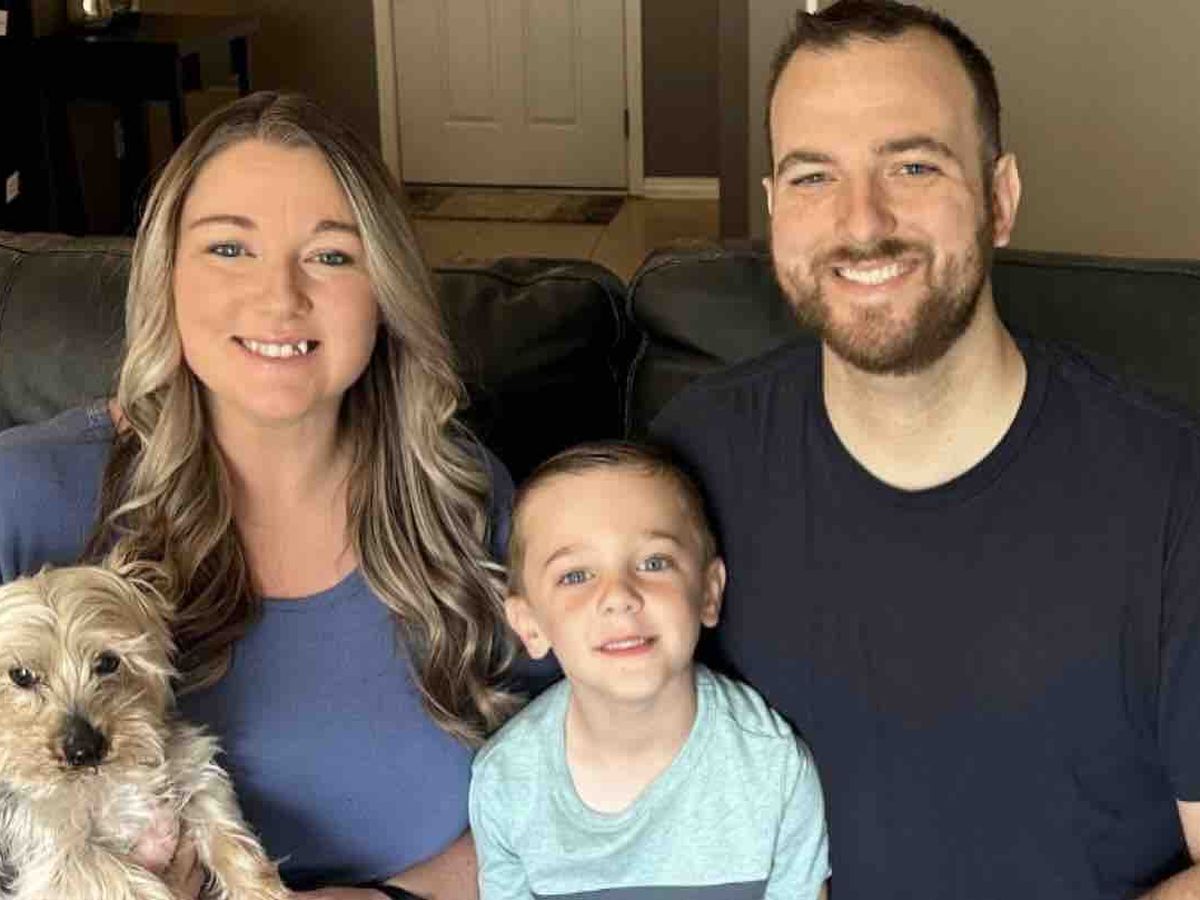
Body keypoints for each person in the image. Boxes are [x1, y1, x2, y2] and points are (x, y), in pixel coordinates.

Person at [650, 2, 1200, 898]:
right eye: (813, 176)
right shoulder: (689, 466)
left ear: (1000, 199)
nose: (862, 223)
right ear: (774, 209)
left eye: (912, 166)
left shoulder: (1174, 489)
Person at [0, 92, 520, 900]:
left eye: (331, 256)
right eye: (229, 248)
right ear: (165, 276)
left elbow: (579, 789)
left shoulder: (462, 497)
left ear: (385, 292)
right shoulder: (25, 495)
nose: (280, 298)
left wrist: (392, 898)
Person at [470, 441, 830, 900]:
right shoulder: (506, 782)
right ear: (530, 625)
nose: (618, 595)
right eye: (575, 576)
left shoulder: (772, 767)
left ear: (709, 592)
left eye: (654, 563)